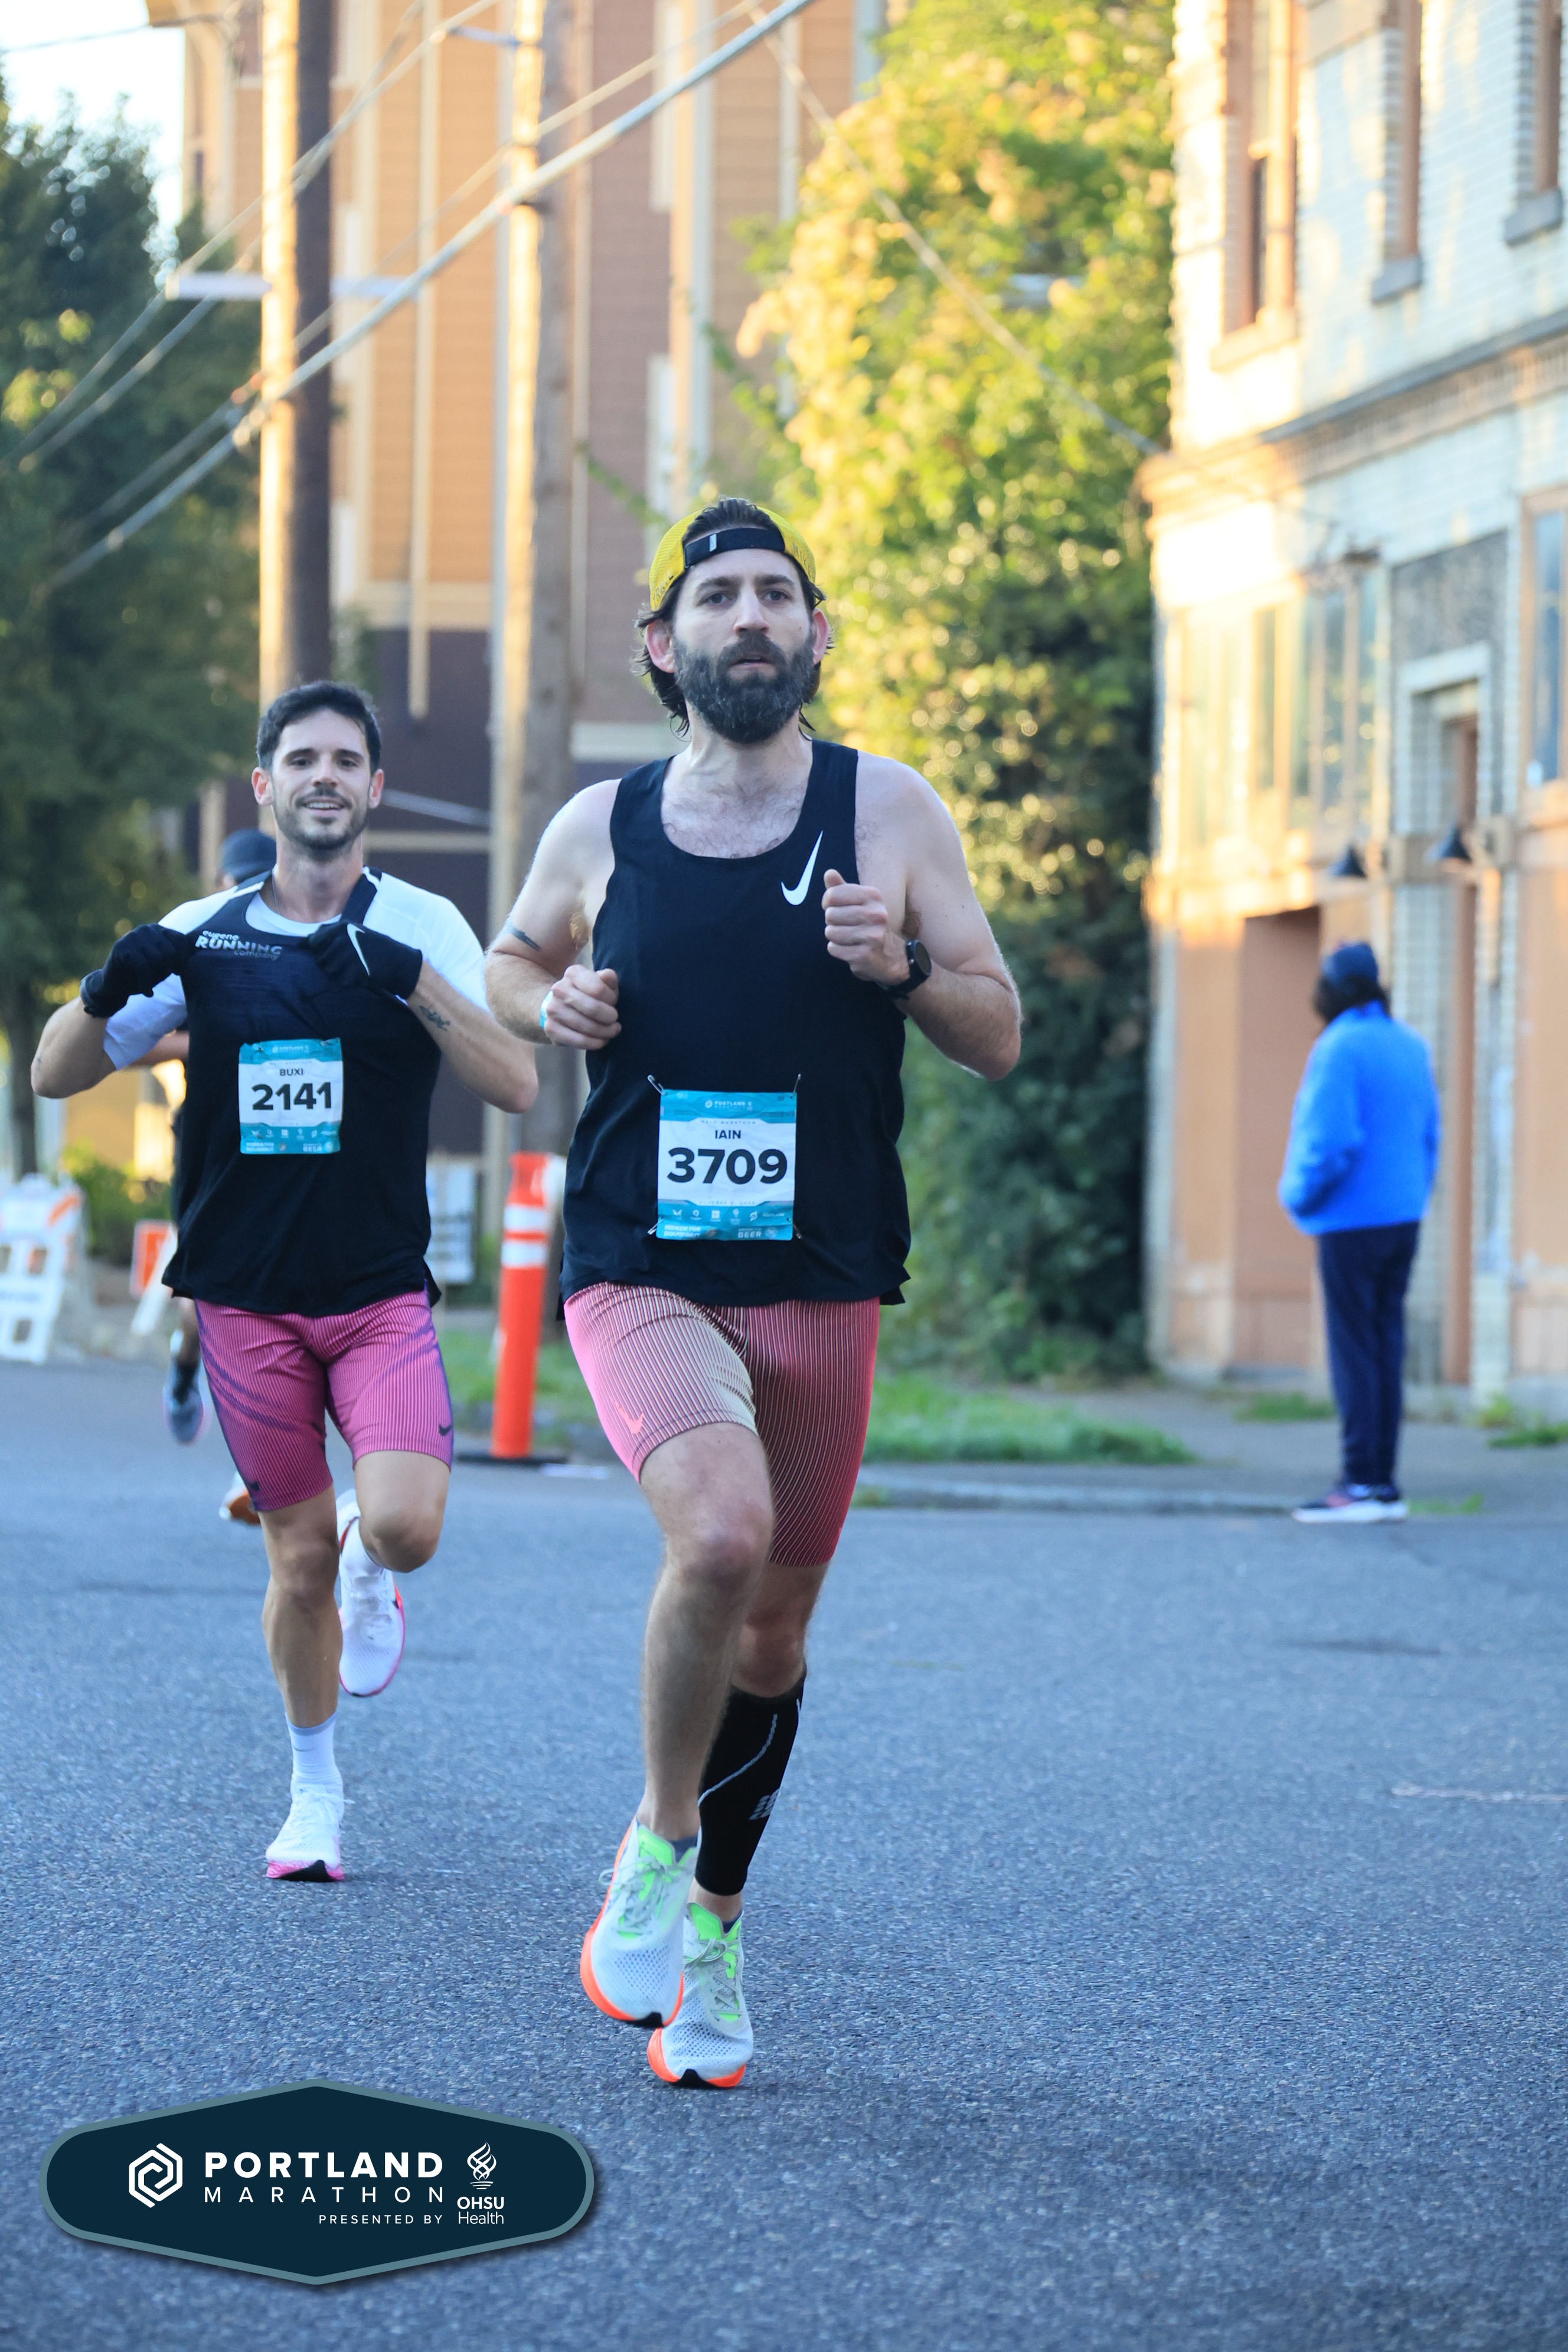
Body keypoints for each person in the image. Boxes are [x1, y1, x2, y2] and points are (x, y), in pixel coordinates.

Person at [486, 496, 1020, 2085]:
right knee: (718, 1535)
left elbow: (998, 1029)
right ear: (666, 645)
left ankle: (715, 1929)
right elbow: (510, 963)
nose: (750, 617)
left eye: (777, 594)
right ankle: (658, 1844)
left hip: (822, 1267)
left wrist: (901, 970)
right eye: (717, 596)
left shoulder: (888, 810)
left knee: (773, 1634)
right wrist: (550, 1001)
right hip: (639, 1256)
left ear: (817, 632)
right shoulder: (602, 825)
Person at [33, 681, 535, 1880]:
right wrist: (106, 987)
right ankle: (315, 1794)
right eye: (300, 758)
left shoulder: (421, 921)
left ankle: (373, 1559)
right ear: (264, 786)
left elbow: (515, 1082)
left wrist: (408, 979)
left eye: (345, 759)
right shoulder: (204, 930)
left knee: (403, 1528)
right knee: (292, 1558)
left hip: (375, 1289)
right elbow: (54, 1073)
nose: (324, 775)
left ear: (374, 787)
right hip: (245, 1295)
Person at [1279, 940, 1440, 1524]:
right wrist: (1415, 1193)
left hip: (1351, 1220)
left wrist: (1296, 1194)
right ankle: (1383, 1483)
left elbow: (1332, 1141)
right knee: (1383, 1347)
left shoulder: (1339, 1046)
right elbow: (1430, 1135)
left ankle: (1359, 1483)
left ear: (1340, 990)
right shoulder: (1410, 1044)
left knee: (1352, 1351)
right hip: (1403, 1217)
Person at [161, 829, 279, 1454]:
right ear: (220, 885)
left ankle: (270, 1445)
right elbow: (132, 1040)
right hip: (208, 1139)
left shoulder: (300, 941)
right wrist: (212, 1038)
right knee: (199, 1300)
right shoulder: (203, 943)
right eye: (240, 882)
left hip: (284, 1138)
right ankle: (186, 1368)